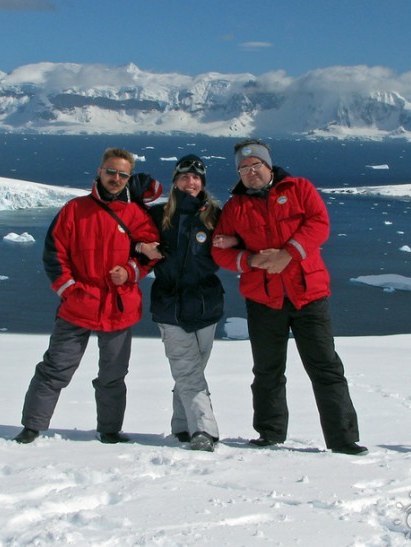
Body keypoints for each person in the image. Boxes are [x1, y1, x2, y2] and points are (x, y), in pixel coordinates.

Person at [211, 138, 367, 456]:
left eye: (256, 165)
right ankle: (269, 434)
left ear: (268, 166)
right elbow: (219, 251)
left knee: (325, 367)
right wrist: (251, 260)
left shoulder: (299, 189)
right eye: (243, 168)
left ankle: (343, 439)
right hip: (264, 300)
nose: (250, 172)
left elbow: (319, 224)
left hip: (307, 295)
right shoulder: (235, 207)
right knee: (267, 370)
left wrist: (288, 254)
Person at [13, 147, 160, 445]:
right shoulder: (74, 210)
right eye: (111, 172)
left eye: (122, 174)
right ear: (100, 171)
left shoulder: (135, 215)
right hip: (79, 303)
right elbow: (54, 254)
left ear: (128, 178)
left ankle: (109, 430)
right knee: (56, 367)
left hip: (118, 305)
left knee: (113, 374)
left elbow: (152, 251)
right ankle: (32, 426)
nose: (116, 179)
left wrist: (129, 271)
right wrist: (69, 291)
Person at [137, 154, 231, 452]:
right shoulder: (158, 215)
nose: (191, 182)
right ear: (175, 181)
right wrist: (141, 246)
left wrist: (235, 243)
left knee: (190, 372)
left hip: (206, 306)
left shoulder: (216, 216)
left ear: (203, 183)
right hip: (170, 306)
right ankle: (204, 430)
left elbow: (244, 235)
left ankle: (181, 426)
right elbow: (128, 225)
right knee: (189, 372)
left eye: (196, 177)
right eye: (184, 176)